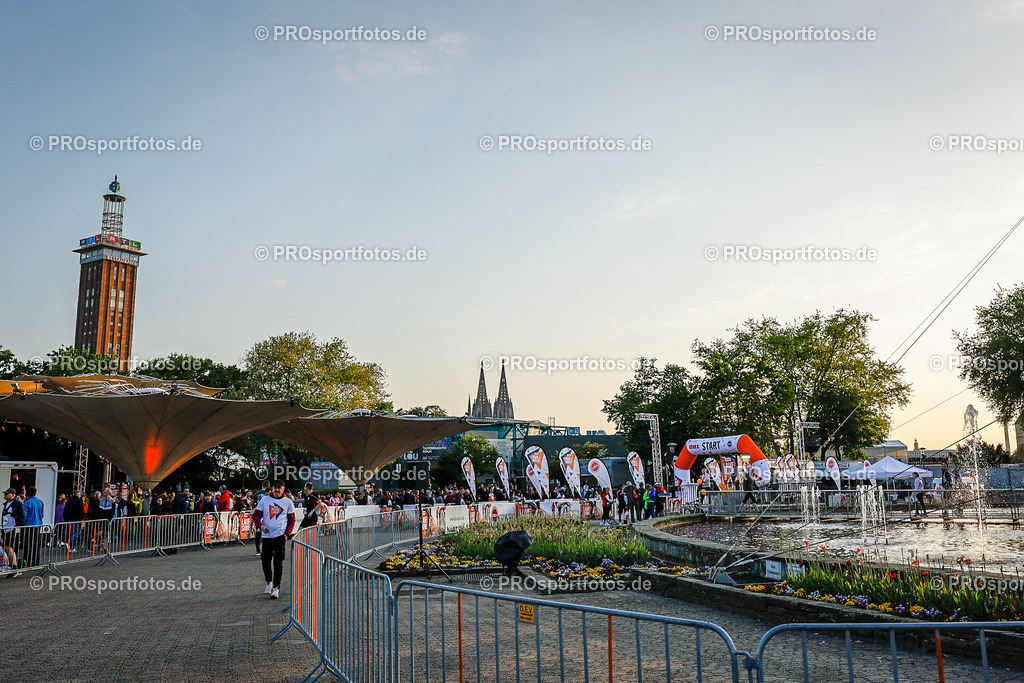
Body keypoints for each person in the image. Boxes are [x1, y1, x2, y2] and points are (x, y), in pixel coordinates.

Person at [252, 481, 295, 599]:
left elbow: (291, 519)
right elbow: (256, 515)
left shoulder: (288, 502)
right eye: (275, 488)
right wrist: (260, 525)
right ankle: (268, 582)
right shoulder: (265, 500)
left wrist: (287, 534)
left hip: (280, 536)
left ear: (283, 489)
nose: (277, 490)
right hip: (266, 536)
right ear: (272, 489)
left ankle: (276, 588)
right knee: (265, 561)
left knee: (278, 562)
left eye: (279, 488)